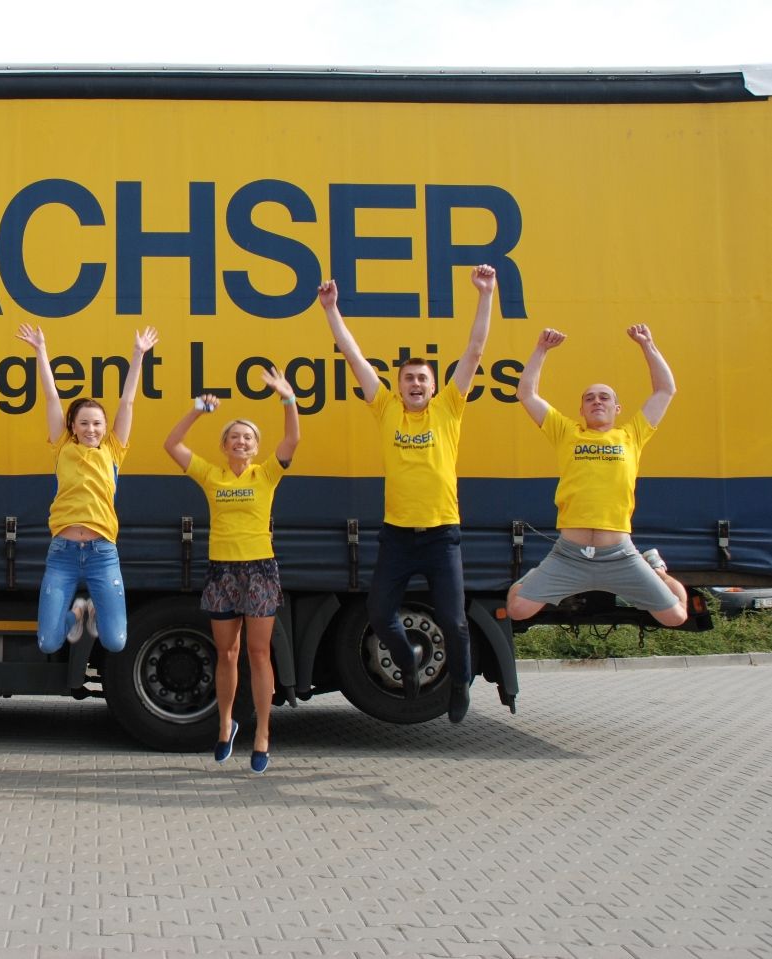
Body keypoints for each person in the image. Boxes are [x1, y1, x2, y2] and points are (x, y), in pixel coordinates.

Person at [319, 264, 497, 723]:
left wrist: (485, 294)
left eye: (422, 379)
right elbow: (353, 355)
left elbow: (475, 349)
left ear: (434, 386)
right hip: (397, 536)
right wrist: (332, 310)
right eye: (409, 379)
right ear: (398, 387)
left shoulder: (449, 409)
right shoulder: (385, 410)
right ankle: (408, 662)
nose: (415, 384)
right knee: (380, 614)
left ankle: (459, 683)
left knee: (453, 621)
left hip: (442, 536)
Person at [505, 325, 688, 626]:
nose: (597, 401)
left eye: (604, 397)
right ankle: (537, 576)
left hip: (619, 555)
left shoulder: (631, 435)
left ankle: (656, 569)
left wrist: (648, 345)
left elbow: (665, 390)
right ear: (581, 409)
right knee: (517, 609)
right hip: (569, 555)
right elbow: (526, 393)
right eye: (589, 398)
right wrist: (541, 349)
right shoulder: (566, 432)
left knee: (676, 616)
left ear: (617, 408)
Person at [163, 375, 299, 773]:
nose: (241, 442)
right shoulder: (212, 475)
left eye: (248, 438)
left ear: (256, 447)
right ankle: (226, 723)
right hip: (222, 571)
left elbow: (292, 440)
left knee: (259, 653)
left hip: (260, 571)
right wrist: (197, 410)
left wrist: (287, 399)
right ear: (224, 446)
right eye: (234, 437)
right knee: (227, 653)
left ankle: (263, 733)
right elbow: (172, 444)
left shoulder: (266, 474)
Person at [14, 324, 160, 659]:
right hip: (62, 554)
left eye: (97, 423)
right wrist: (40, 350)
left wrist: (138, 355)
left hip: (102, 554)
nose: (91, 429)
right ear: (72, 427)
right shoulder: (62, 447)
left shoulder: (113, 450)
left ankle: (92, 611)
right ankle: (78, 612)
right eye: (83, 423)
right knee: (48, 643)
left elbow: (128, 401)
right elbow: (51, 397)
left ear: (105, 427)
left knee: (115, 642)